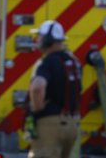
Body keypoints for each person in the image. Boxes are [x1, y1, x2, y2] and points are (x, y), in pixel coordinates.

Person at [28, 20, 81, 158]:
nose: (37, 40)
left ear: (48, 39)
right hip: (72, 125)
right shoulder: (74, 62)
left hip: (50, 125)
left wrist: (37, 108)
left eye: (40, 36)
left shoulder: (47, 62)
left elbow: (38, 87)